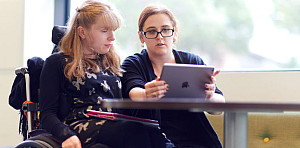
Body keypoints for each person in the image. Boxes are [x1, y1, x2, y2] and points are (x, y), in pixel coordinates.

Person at [39, 1, 168, 148]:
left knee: (156, 134)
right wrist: (67, 135)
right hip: (79, 126)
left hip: (115, 125)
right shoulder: (57, 62)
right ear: (82, 32)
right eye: (105, 30)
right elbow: (47, 114)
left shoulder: (112, 64)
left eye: (113, 30)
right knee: (134, 132)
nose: (112, 37)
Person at [121, 3, 226, 148]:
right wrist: (146, 94)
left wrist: (209, 96)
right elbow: (133, 92)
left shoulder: (192, 61)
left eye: (165, 30)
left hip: (197, 140)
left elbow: (219, 107)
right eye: (152, 31)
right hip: (152, 140)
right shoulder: (133, 63)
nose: (160, 37)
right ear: (141, 37)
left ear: (175, 33)